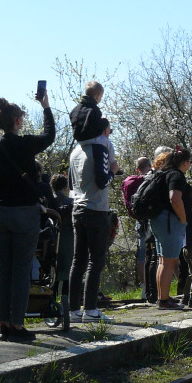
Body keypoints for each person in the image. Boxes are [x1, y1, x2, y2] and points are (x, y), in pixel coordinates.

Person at [0, 93, 55, 342]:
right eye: (21, 118)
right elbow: (49, 135)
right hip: (24, 213)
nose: (23, 122)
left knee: (3, 269)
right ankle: (16, 324)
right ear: (16, 121)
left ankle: (2, 322)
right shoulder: (24, 145)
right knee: (21, 270)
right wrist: (45, 107)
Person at [67, 128, 115, 324]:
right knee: (96, 261)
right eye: (110, 131)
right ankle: (91, 309)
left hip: (77, 208)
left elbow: (70, 183)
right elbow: (103, 181)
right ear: (104, 130)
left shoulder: (75, 151)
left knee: (78, 261)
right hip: (96, 209)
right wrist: (113, 171)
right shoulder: (100, 147)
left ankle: (73, 310)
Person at [149, 147, 192, 309]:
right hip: (169, 221)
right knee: (169, 262)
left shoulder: (162, 173)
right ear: (184, 162)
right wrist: (183, 218)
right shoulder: (176, 175)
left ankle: (162, 298)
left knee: (163, 260)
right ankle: (164, 300)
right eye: (190, 162)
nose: (190, 165)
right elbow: (175, 198)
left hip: (157, 220)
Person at [122, 156, 152, 297]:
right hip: (150, 221)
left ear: (137, 169)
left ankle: (144, 288)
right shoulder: (150, 179)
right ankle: (155, 287)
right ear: (150, 166)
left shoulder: (130, 182)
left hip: (139, 222)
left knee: (141, 256)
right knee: (155, 255)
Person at [49, 174, 74, 306]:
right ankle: (66, 304)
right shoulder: (70, 203)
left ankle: (50, 301)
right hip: (67, 241)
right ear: (65, 187)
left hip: (51, 242)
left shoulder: (49, 202)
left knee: (52, 274)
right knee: (66, 274)